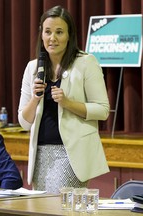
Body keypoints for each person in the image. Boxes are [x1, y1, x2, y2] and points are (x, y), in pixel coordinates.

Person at [18, 5, 110, 194]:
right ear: (41, 35)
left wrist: (68, 103)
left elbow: (102, 110)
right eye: (48, 32)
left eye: (59, 32)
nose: (53, 38)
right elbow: (24, 122)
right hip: (40, 154)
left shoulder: (85, 62)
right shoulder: (33, 67)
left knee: (62, 208)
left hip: (71, 154)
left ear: (69, 35)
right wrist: (35, 99)